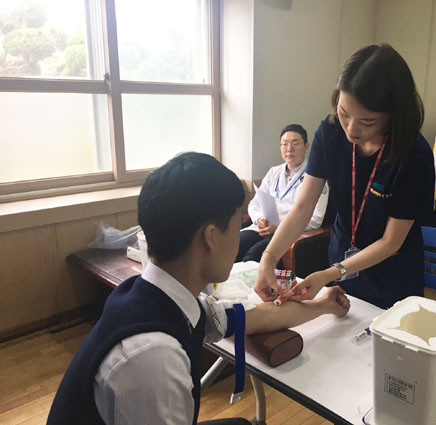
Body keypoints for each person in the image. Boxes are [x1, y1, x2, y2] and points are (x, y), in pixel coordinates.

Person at [47, 152, 350, 425]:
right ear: (211, 237)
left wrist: (324, 305)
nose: (238, 239)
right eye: (236, 228)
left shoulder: (157, 295)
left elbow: (255, 317)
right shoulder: (155, 357)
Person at [254, 44, 435, 309]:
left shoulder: (413, 154)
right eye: (344, 113)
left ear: (393, 116)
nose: (351, 128)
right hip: (341, 260)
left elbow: (390, 242)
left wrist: (331, 273)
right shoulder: (329, 132)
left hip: (391, 274)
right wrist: (269, 257)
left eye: (368, 121)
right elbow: (303, 207)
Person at [236, 124, 329, 263]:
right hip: (262, 228)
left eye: (295, 143)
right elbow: (255, 203)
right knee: (236, 245)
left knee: (254, 255)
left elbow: (315, 219)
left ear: (306, 146)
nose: (289, 149)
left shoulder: (315, 178)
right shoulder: (274, 172)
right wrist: (259, 218)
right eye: (284, 144)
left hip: (288, 233)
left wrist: (280, 227)